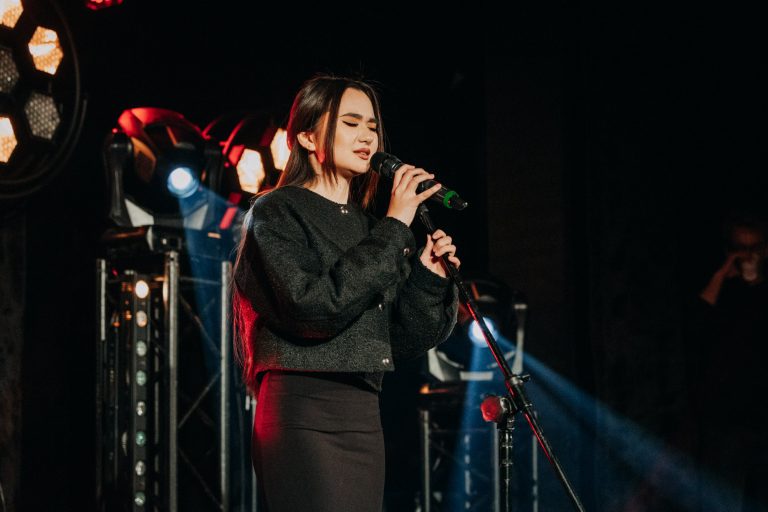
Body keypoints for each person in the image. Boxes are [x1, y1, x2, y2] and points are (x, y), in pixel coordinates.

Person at [231, 74, 460, 512]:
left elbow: (400, 339)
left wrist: (428, 278)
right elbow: (311, 308)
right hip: (302, 410)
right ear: (306, 136)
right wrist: (395, 226)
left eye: (372, 126)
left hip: (362, 412)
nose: (367, 137)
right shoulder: (276, 211)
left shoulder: (373, 229)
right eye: (351, 123)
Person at [688, 213, 768, 511]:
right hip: (726, 415)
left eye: (753, 247)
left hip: (761, 412)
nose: (747, 255)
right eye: (739, 248)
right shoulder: (723, 291)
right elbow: (698, 320)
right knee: (722, 494)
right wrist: (722, 274)